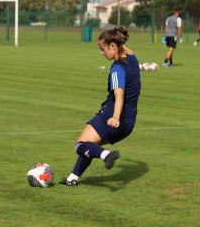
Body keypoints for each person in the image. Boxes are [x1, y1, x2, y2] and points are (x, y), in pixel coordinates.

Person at [60, 27, 141, 186]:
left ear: (113, 46)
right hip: (129, 122)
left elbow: (119, 95)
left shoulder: (117, 69)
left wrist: (115, 117)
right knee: (91, 144)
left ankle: (106, 155)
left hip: (112, 116)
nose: (101, 53)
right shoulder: (133, 58)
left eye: (102, 49)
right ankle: (72, 178)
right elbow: (123, 46)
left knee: (80, 145)